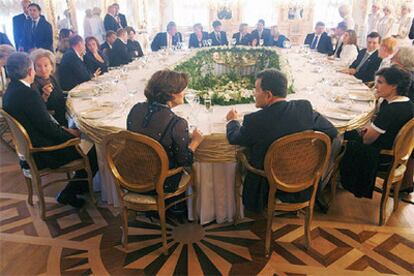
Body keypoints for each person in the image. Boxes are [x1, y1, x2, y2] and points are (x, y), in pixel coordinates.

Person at [226, 69, 338, 212]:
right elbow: (332, 131)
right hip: (304, 182)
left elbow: (234, 138)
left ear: (268, 95)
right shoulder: (304, 108)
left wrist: (232, 121)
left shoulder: (255, 121)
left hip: (267, 187)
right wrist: (308, 154)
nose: (254, 94)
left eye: (256, 90)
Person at [3, 52, 99, 208]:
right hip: (43, 152)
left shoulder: (10, 91)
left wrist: (63, 129)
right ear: (29, 71)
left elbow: (42, 123)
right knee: (93, 148)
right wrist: (71, 135)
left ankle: (80, 187)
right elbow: (49, 129)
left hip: (30, 148)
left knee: (82, 139)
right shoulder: (28, 95)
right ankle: (69, 193)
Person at [127, 69, 204, 200]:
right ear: (171, 94)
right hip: (161, 183)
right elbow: (185, 161)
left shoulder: (136, 109)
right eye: (182, 90)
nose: (184, 93)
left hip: (131, 176)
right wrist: (196, 141)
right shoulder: (177, 123)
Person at [340, 67, 414, 199]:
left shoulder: (391, 110)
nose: (376, 87)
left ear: (393, 86)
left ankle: (336, 177)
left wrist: (363, 130)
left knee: (341, 134)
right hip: (398, 153)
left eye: (380, 82)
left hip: (383, 156)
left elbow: (367, 140)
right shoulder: (408, 103)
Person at [30, 49, 67, 126]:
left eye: (46, 65)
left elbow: (59, 95)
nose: (43, 70)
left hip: (64, 114)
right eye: (39, 66)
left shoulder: (51, 77)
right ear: (34, 67)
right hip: (54, 121)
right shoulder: (33, 83)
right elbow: (38, 110)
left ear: (52, 66)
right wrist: (45, 96)